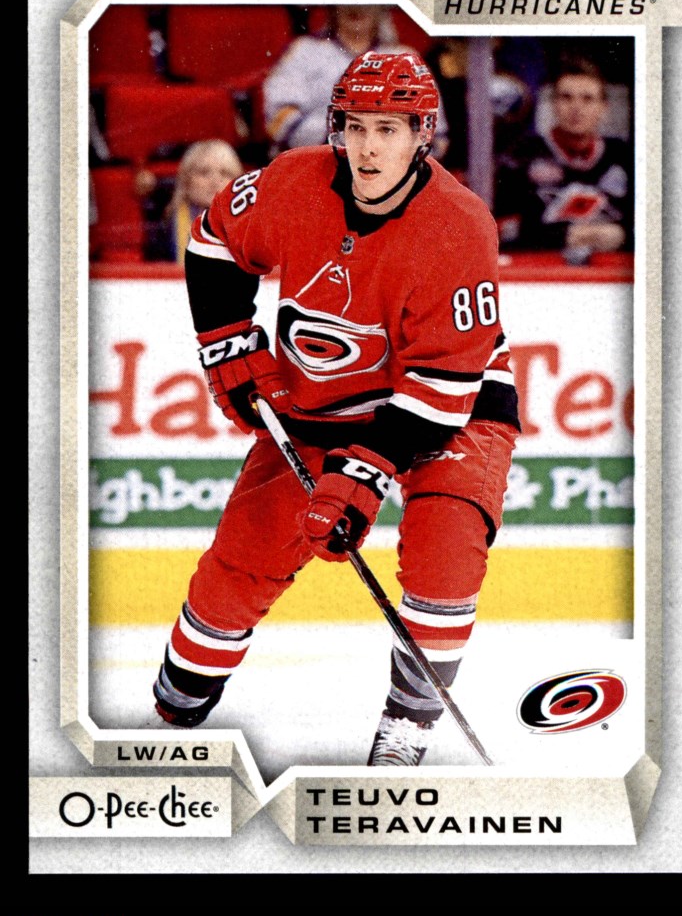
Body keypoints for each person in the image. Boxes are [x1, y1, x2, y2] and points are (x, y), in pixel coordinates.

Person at [151, 51, 520, 767]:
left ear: (422, 134)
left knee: (446, 555)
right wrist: (229, 347)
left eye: (388, 129)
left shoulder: (459, 225)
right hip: (325, 394)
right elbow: (214, 242)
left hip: (455, 404)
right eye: (355, 127)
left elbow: (444, 384)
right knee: (239, 564)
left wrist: (361, 476)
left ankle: (407, 727)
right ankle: (174, 711)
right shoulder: (293, 181)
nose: (367, 148)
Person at [263, 5, 448, 159]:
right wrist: (346, 141)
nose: (356, 7)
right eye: (349, 0)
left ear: (382, 8)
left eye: (366, 1)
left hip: (392, 174)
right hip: (316, 162)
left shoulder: (405, 58)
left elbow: (435, 136)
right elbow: (279, 121)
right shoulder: (305, 51)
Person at [496, 56, 633, 261]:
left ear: (604, 107)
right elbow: (502, 230)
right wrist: (563, 236)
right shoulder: (521, 154)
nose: (576, 107)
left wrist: (622, 235)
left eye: (587, 99)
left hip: (609, 271)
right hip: (541, 272)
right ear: (553, 104)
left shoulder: (624, 156)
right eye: (566, 97)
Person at [138, 140, 244, 262]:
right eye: (204, 172)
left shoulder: (250, 228)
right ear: (186, 180)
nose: (215, 181)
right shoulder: (165, 223)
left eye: (224, 173)